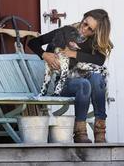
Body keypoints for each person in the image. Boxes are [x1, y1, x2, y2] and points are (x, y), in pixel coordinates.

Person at [28, 9, 113, 143]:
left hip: (83, 77)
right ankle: (80, 133)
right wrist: (45, 55)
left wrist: (73, 54)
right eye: (84, 23)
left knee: (97, 78)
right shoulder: (66, 32)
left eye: (90, 29)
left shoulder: (93, 41)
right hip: (64, 83)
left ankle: (100, 132)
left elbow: (99, 60)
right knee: (84, 84)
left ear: (96, 32)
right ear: (83, 17)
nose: (84, 29)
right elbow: (33, 42)